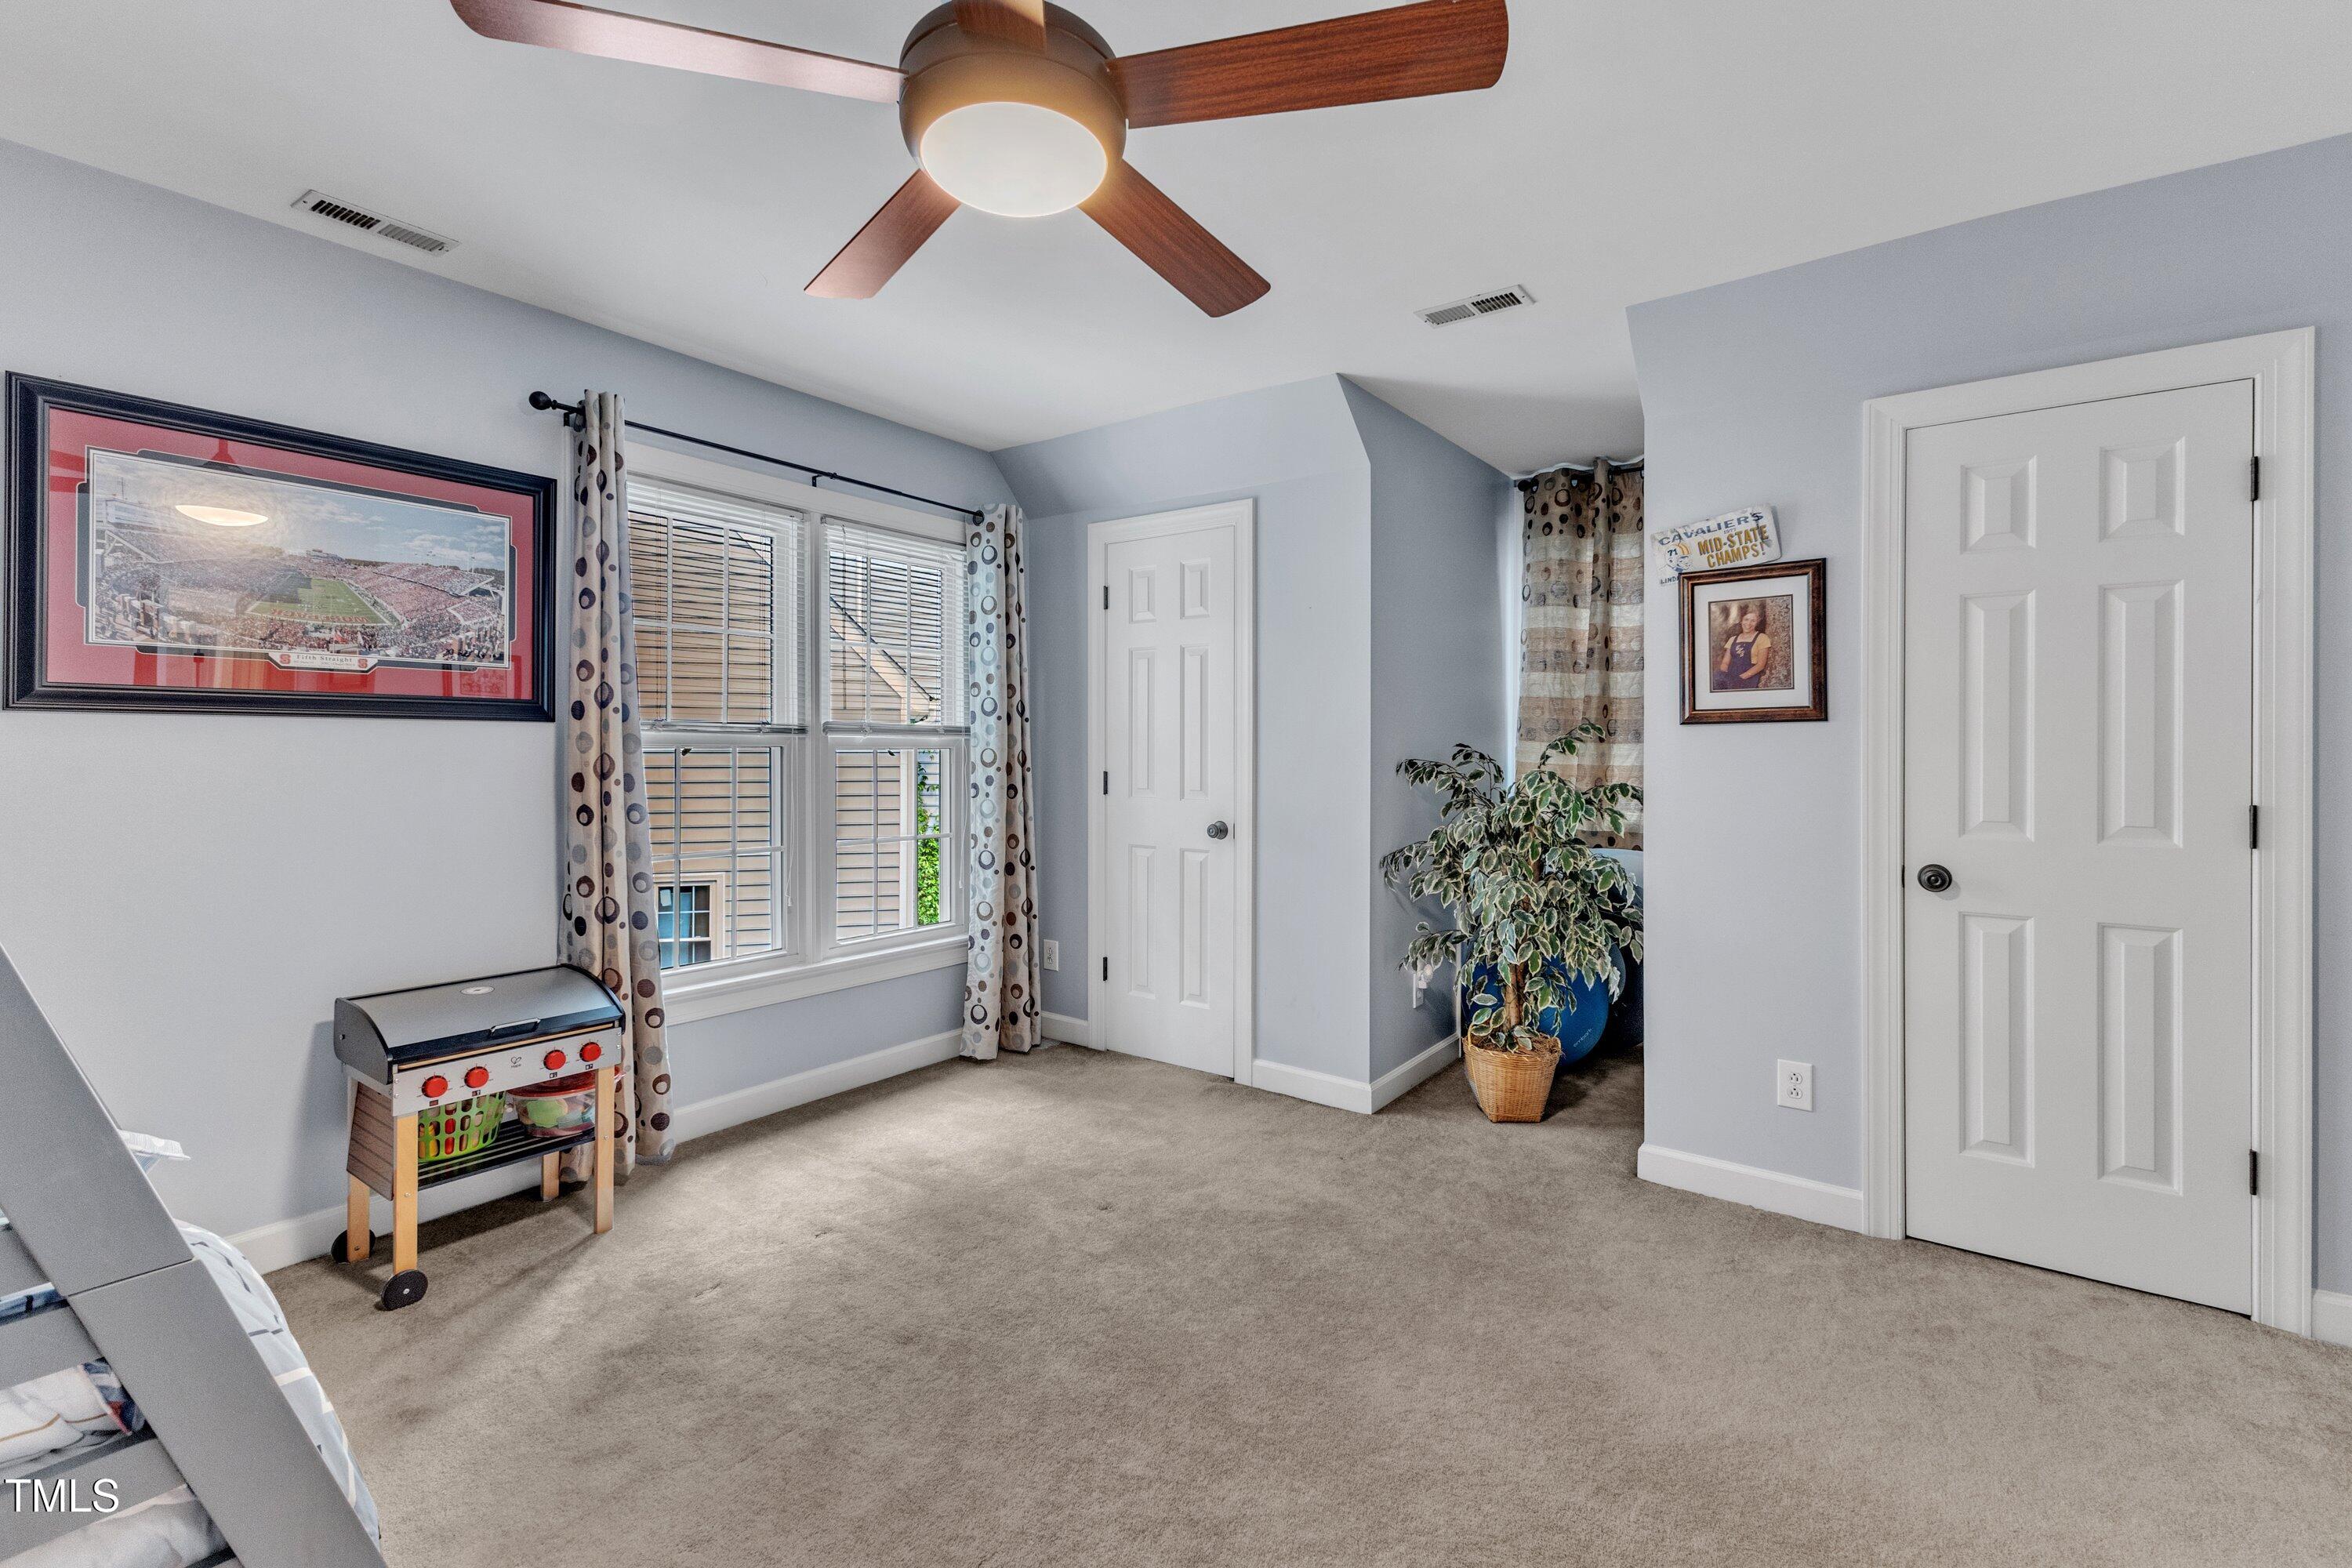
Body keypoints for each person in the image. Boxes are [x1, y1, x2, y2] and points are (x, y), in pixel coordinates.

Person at [1715, 601, 1773, 691]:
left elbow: (1761, 665)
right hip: (1730, 674)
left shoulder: (1762, 638)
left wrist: (1743, 677)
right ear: (1741, 621)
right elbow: (1725, 663)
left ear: (1757, 622)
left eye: (1753, 621)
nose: (1749, 623)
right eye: (1746, 619)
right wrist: (1726, 676)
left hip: (1748, 676)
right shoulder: (1733, 639)